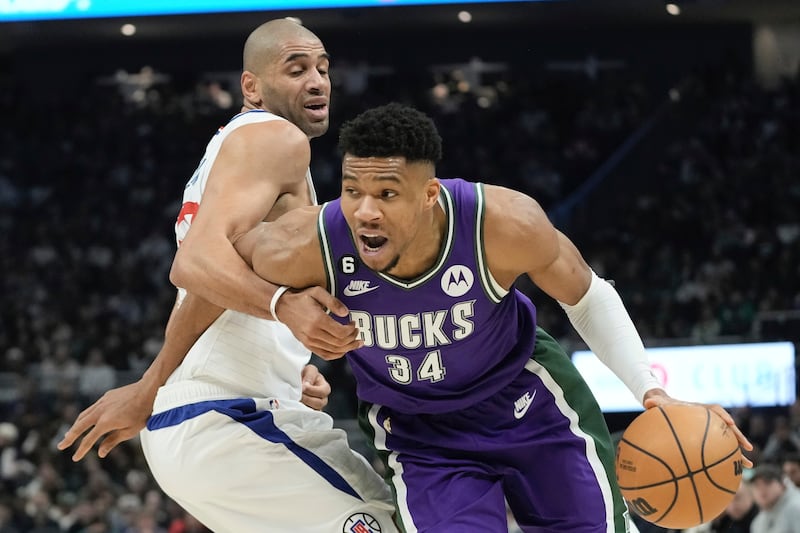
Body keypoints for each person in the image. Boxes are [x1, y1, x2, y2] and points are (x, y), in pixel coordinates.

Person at [229, 102, 753, 532]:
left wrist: (651, 391)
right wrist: (277, 312)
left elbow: (587, 295)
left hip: (527, 404)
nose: (365, 210)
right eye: (352, 192)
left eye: (387, 194)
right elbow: (202, 264)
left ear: (430, 195)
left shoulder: (501, 224)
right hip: (420, 432)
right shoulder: (307, 244)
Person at [58, 19, 396, 533]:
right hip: (226, 413)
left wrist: (289, 362)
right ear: (251, 86)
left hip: (222, 416)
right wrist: (282, 307)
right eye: (297, 68)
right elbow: (195, 266)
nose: (317, 81)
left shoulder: (242, 150)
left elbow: (219, 278)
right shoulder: (274, 137)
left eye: (324, 68)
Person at [749, 464, 800, 533]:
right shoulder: (757, 522)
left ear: (782, 484)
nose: (762, 489)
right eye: (756, 485)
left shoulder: (796, 507)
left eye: (767, 482)